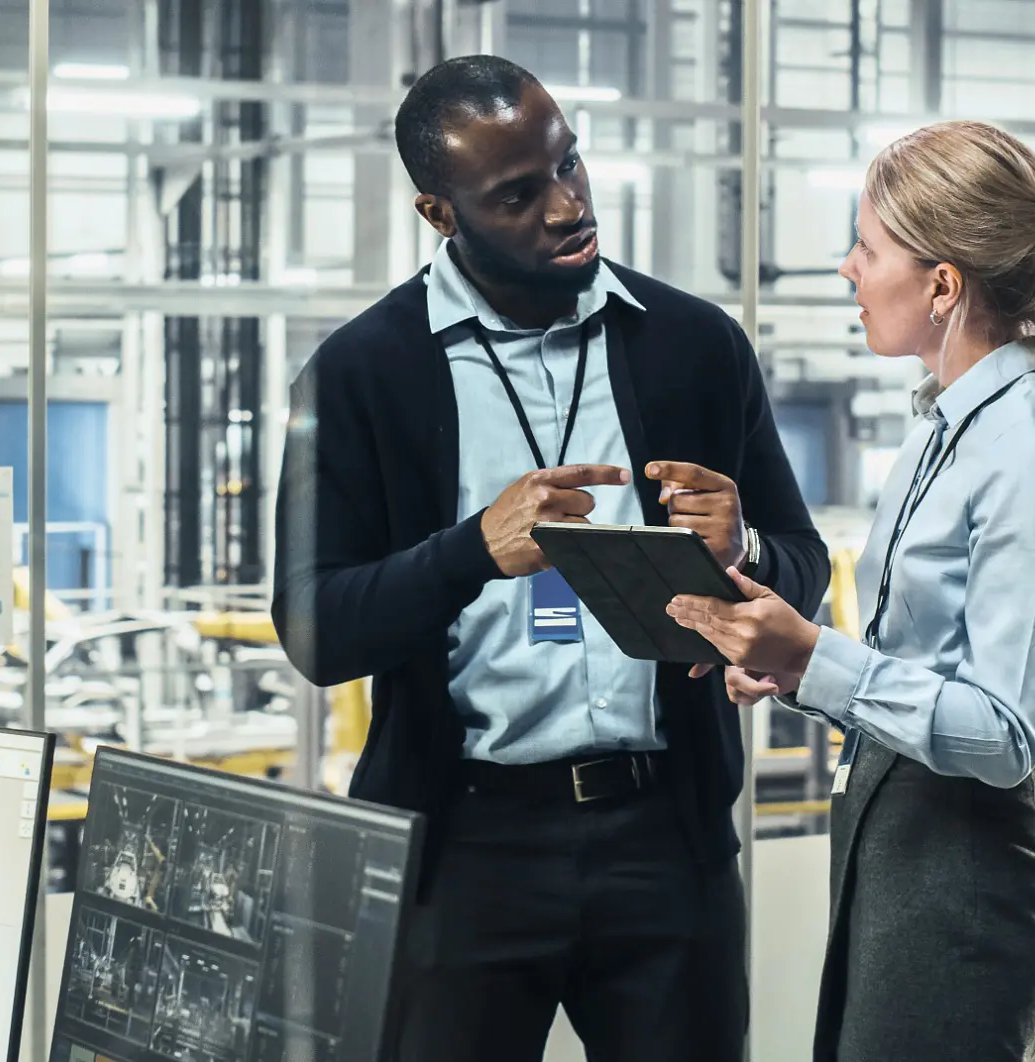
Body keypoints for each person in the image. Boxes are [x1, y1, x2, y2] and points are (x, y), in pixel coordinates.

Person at [269, 54, 829, 1062]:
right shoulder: (359, 375)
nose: (568, 206)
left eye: (570, 165)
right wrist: (471, 553)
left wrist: (745, 550)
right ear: (439, 214)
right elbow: (313, 628)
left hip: (666, 842)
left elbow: (804, 561)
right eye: (519, 195)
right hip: (461, 853)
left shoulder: (694, 346)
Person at [664, 119, 1035, 1062]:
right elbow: (925, 675)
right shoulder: (947, 429)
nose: (848, 270)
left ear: (942, 283)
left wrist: (816, 656)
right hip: (896, 851)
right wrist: (791, 671)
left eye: (867, 246)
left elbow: (1003, 731)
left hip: (966, 877)